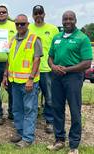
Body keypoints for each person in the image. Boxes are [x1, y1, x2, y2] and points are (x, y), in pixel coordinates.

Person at [47, 11, 92, 154]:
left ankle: (73, 146)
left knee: (74, 110)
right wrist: (53, 66)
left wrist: (67, 69)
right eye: (65, 19)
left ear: (75, 20)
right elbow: (50, 57)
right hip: (56, 77)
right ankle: (59, 140)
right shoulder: (57, 37)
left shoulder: (82, 38)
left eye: (70, 19)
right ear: (62, 21)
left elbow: (87, 63)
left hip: (73, 77)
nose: (67, 21)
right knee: (57, 108)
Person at [2, 14, 42, 148]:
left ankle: (28, 138)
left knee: (29, 109)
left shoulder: (34, 39)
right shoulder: (13, 39)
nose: (19, 26)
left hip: (28, 83)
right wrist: (5, 75)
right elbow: (9, 59)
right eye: (17, 24)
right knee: (17, 109)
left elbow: (37, 60)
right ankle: (20, 133)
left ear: (28, 24)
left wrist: (30, 79)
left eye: (22, 24)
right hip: (14, 81)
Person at [29, 5, 59, 134]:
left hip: (47, 69)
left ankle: (50, 121)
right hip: (32, 69)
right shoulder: (28, 28)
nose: (38, 15)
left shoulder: (53, 29)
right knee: (31, 97)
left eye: (40, 13)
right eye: (36, 13)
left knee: (50, 97)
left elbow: (57, 48)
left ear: (44, 14)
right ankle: (31, 121)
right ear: (33, 15)